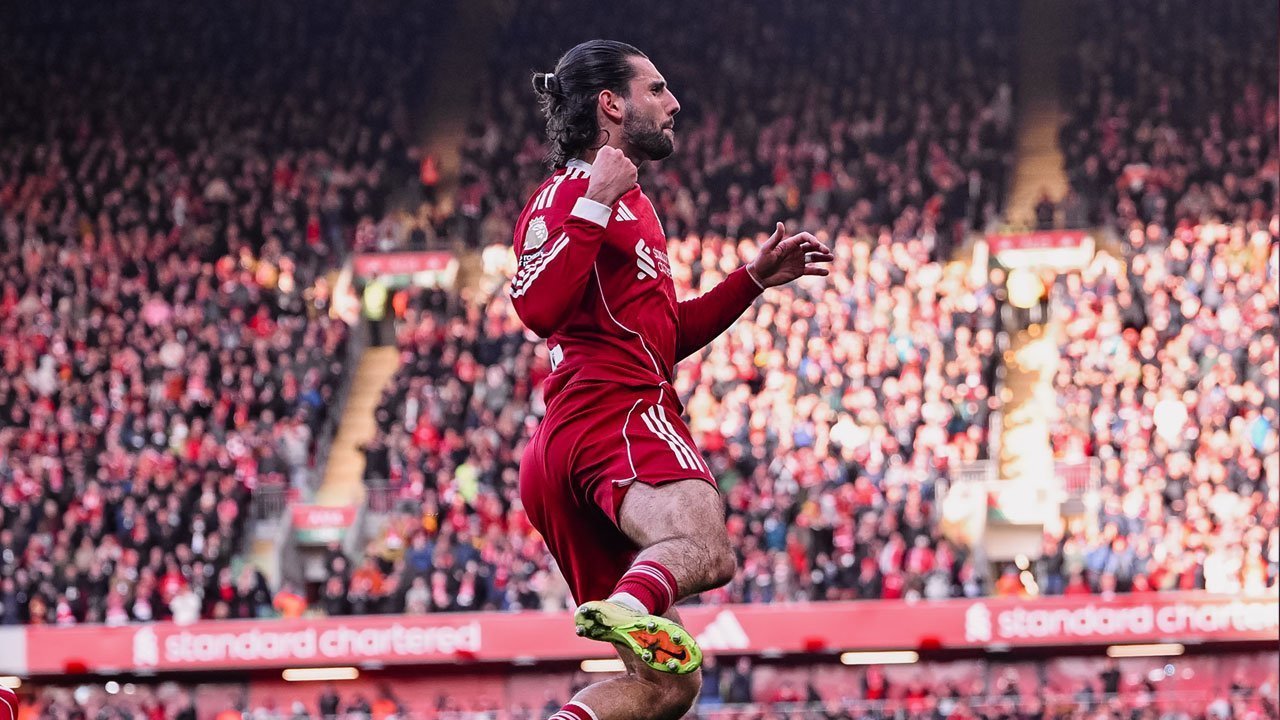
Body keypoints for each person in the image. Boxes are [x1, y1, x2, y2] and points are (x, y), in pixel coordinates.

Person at [510, 40, 832, 720]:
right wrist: (595, 201)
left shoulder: (633, 205)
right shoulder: (567, 194)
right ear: (610, 103)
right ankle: (632, 602)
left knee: (669, 684)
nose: (674, 102)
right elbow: (537, 309)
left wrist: (750, 281)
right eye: (656, 89)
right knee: (704, 545)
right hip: (612, 413)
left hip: (572, 439)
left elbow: (661, 335)